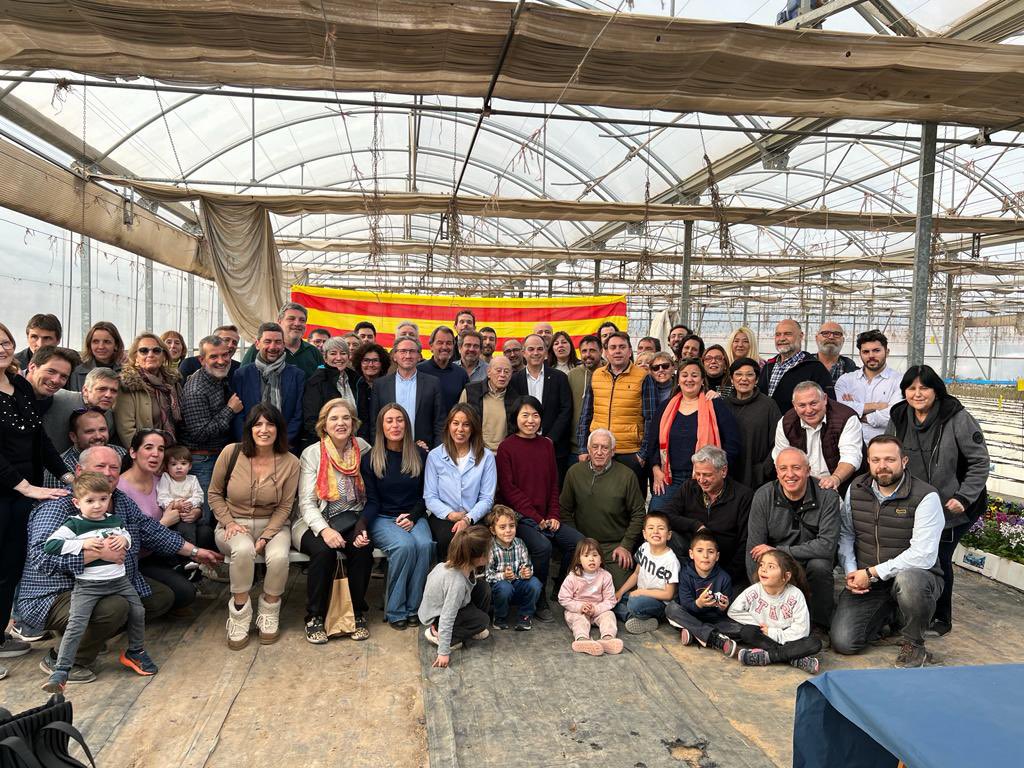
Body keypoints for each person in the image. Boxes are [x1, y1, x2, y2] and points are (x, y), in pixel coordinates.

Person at [22, 445, 221, 684]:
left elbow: (152, 531)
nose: (108, 473)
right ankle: (65, 660)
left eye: (114, 467)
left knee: (161, 598)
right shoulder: (58, 504)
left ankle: (93, 633)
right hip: (53, 593)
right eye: (100, 466)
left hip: (109, 580)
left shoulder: (119, 500)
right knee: (117, 607)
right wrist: (97, 554)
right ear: (79, 470)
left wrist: (196, 552)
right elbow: (40, 557)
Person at [886, 365, 989, 637]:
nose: (917, 394)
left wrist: (963, 497)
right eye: (911, 388)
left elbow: (980, 462)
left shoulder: (956, 417)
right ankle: (902, 612)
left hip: (952, 505)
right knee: (907, 554)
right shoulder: (899, 415)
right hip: (914, 502)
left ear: (936, 390)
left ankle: (941, 617)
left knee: (940, 558)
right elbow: (887, 451)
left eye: (924, 387)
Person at [833, 437, 944, 668]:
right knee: (844, 642)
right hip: (869, 580)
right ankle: (890, 617)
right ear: (868, 462)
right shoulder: (856, 488)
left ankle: (914, 644)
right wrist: (853, 573)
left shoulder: (926, 496)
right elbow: (846, 534)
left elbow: (923, 554)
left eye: (890, 459)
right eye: (876, 460)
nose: (882, 465)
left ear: (903, 461)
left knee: (909, 581)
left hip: (916, 577)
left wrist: (872, 572)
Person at [41, 471, 155, 692]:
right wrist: (83, 545)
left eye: (103, 499)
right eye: (90, 501)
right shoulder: (74, 525)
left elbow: (126, 535)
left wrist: (124, 539)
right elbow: (51, 545)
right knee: (76, 625)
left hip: (119, 581)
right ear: (77, 502)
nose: (97, 505)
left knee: (138, 611)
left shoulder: (114, 520)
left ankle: (136, 651)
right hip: (88, 586)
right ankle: (62, 670)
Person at [0, 322, 71, 669]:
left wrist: (67, 473)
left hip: (20, 493)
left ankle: (1, 635)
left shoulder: (19, 388)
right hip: (7, 488)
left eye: (5, 342)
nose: (1, 348)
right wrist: (25, 486)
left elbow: (38, 439)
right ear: (33, 364)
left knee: (9, 567)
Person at [210, 404, 300, 648]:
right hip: (233, 524)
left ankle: (269, 611)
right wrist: (228, 522)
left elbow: (285, 506)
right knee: (243, 550)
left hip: (273, 524)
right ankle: (239, 613)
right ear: (249, 429)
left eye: (270, 424)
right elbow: (214, 493)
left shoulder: (291, 462)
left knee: (280, 557)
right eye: (258, 424)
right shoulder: (231, 453)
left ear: (278, 429)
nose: (264, 429)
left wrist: (267, 535)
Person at [497, 396, 583, 622]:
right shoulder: (507, 447)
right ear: (516, 418)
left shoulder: (546, 444)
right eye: (525, 415)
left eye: (535, 415)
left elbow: (554, 485)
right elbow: (509, 490)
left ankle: (561, 587)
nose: (530, 420)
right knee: (542, 546)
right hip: (521, 518)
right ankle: (539, 598)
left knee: (577, 543)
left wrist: (553, 515)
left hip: (547, 517)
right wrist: (536, 518)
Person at [295, 398, 373, 644]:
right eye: (334, 418)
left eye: (346, 418)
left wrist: (363, 526)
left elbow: (373, 490)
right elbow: (306, 504)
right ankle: (315, 616)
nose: (341, 423)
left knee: (362, 548)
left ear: (353, 422)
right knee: (323, 551)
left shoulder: (363, 448)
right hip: (316, 520)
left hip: (352, 519)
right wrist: (325, 531)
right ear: (324, 425)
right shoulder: (313, 453)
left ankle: (356, 611)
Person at [746, 447, 840, 642]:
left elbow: (827, 546)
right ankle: (773, 620)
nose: (790, 474)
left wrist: (780, 550)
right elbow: (754, 550)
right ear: (776, 471)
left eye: (796, 468)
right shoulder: (763, 495)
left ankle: (819, 627)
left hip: (809, 562)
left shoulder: (827, 497)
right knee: (763, 565)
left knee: (820, 565)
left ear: (808, 469)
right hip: (777, 565)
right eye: (783, 468)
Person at [357, 403, 432, 629]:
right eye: (389, 421)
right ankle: (395, 608)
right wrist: (362, 523)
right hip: (383, 517)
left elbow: (426, 495)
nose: (395, 425)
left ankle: (414, 607)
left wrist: (413, 516)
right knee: (404, 547)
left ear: (406, 425)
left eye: (399, 420)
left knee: (426, 545)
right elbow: (372, 501)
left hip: (414, 515)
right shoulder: (371, 459)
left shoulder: (419, 454)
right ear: (381, 426)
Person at [118, 430, 199, 612]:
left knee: (202, 532)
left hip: (164, 550)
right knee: (183, 594)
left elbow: (188, 501)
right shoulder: (120, 489)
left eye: (161, 449)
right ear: (133, 452)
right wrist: (163, 522)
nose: (156, 453)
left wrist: (195, 511)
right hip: (137, 559)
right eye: (148, 447)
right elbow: (126, 542)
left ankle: (182, 575)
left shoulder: (162, 480)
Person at [648, 357, 740, 512]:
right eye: (684, 375)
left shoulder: (716, 406)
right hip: (670, 478)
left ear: (702, 380)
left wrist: (717, 474)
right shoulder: (665, 407)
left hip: (705, 480)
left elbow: (733, 443)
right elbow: (653, 443)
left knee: (697, 526)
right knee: (657, 520)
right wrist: (656, 470)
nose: (689, 379)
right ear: (678, 380)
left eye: (694, 375)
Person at [560, 429, 645, 589]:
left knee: (619, 591)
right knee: (577, 592)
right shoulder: (574, 473)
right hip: (584, 544)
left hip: (614, 547)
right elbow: (564, 510)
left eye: (605, 448)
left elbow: (639, 514)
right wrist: (577, 541)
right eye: (595, 447)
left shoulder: (627, 476)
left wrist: (626, 545)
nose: (599, 452)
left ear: (613, 451)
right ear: (588, 449)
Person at [661, 445, 752, 588]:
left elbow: (745, 543)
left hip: (725, 566)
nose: (701, 480)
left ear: (723, 471)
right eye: (698, 474)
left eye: (707, 475)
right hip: (690, 561)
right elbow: (665, 515)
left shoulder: (743, 496)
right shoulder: (689, 487)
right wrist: (695, 525)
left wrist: (726, 579)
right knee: (662, 533)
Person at [577, 331, 655, 488]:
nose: (617, 351)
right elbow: (586, 414)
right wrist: (583, 448)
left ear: (629, 350)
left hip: (630, 452)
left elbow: (651, 419)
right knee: (601, 499)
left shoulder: (642, 377)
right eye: (613, 347)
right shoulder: (597, 375)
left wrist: (642, 454)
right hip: (600, 450)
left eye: (622, 347)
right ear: (606, 352)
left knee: (632, 500)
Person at [180, 334, 243, 529]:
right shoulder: (196, 389)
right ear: (202, 360)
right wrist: (230, 410)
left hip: (217, 456)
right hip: (203, 460)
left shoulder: (218, 379)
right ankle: (201, 556)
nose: (221, 361)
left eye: (225, 355)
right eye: (214, 357)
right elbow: (200, 433)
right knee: (206, 514)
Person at [730, 550, 821, 673]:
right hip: (765, 634)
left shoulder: (795, 595)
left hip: (789, 637)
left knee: (814, 643)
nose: (763, 569)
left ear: (786, 576)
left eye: (771, 566)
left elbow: (802, 630)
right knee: (747, 632)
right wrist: (760, 625)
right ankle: (793, 658)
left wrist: (774, 633)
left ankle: (768, 657)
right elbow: (734, 611)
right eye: (761, 565)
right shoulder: (754, 590)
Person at [424, 404, 497, 559]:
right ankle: (446, 581)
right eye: (455, 423)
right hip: (443, 516)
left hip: (475, 516)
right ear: (449, 425)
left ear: (473, 428)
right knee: (447, 540)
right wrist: (451, 515)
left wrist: (467, 519)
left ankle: (473, 581)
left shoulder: (486, 456)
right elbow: (430, 497)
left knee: (474, 542)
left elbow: (487, 498)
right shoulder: (435, 456)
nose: (460, 429)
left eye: (466, 424)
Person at [419, 525, 492, 668]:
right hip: (439, 616)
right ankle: (439, 635)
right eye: (489, 551)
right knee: (484, 620)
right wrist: (443, 652)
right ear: (477, 557)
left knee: (483, 588)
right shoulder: (456, 582)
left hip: (455, 603)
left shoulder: (462, 565)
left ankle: (470, 628)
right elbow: (448, 615)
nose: (491, 553)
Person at [773, 381, 863, 494]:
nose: (809, 410)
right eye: (802, 405)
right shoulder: (785, 422)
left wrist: (835, 479)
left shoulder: (846, 418)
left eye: (813, 403)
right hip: (803, 486)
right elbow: (781, 459)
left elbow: (851, 457)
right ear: (794, 405)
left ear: (825, 398)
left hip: (842, 486)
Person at [231, 322, 305, 449]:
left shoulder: (297, 375)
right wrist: (249, 442)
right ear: (257, 344)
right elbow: (238, 414)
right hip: (250, 447)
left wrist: (283, 442)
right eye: (267, 341)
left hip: (286, 447)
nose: (273, 346)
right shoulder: (242, 375)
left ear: (283, 344)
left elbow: (299, 414)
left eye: (277, 342)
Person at [665, 530, 738, 656]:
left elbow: (724, 610)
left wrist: (724, 607)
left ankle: (695, 634)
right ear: (691, 554)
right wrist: (698, 603)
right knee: (671, 608)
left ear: (717, 556)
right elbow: (686, 603)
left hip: (714, 620)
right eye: (700, 551)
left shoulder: (724, 578)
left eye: (710, 552)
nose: (705, 556)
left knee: (742, 630)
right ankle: (714, 639)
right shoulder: (685, 574)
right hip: (691, 615)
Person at [509, 333, 572, 479]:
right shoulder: (514, 380)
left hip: (555, 447)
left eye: (539, 349)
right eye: (531, 349)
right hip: (523, 446)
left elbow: (566, 410)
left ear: (545, 352)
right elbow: (513, 412)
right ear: (523, 353)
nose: (535, 353)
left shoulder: (559, 378)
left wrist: (550, 439)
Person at [371, 336, 444, 450]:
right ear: (394, 356)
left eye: (412, 351)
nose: (408, 356)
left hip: (423, 451)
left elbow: (440, 422)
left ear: (419, 356)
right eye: (403, 351)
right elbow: (375, 423)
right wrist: (379, 449)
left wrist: (435, 452)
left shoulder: (433, 383)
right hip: (389, 452)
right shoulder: (380, 385)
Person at [613, 511, 680, 634]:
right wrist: (620, 592)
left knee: (634, 603)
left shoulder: (670, 561)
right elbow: (636, 574)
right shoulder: (644, 548)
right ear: (644, 534)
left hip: (659, 603)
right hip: (641, 596)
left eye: (661, 528)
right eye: (651, 528)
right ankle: (634, 618)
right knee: (610, 600)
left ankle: (641, 615)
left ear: (669, 535)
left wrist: (640, 592)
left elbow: (669, 594)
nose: (655, 531)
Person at [557, 539, 623, 657]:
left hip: (598, 610)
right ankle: (582, 640)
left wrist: (596, 609)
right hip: (578, 611)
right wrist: (579, 607)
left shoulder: (605, 576)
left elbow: (610, 600)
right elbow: (563, 598)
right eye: (586, 555)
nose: (591, 559)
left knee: (609, 616)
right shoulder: (573, 577)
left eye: (595, 555)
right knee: (579, 620)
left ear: (601, 559)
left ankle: (608, 639)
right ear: (579, 559)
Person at [835, 329, 902, 444]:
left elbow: (894, 415)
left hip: (884, 447)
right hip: (850, 445)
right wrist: (877, 406)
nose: (871, 356)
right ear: (860, 354)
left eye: (876, 351)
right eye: (866, 352)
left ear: (887, 351)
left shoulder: (899, 380)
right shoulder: (846, 380)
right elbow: (839, 410)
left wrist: (859, 415)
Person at [116, 333, 183, 446]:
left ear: (164, 356)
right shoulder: (128, 385)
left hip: (173, 453)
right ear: (135, 357)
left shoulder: (172, 383)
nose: (150, 354)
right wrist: (150, 454)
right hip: (144, 454)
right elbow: (126, 430)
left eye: (156, 350)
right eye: (144, 351)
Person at [723, 357, 780, 490]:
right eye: (738, 374)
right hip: (727, 476)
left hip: (758, 479)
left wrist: (764, 469)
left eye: (749, 374)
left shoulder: (768, 406)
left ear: (757, 379)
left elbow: (779, 442)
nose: (744, 379)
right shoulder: (723, 405)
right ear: (731, 379)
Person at [757, 319, 835, 413]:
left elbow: (829, 405)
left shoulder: (815, 368)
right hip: (767, 426)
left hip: (796, 426)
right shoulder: (768, 367)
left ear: (800, 336)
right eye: (778, 334)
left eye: (787, 334)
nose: (782, 338)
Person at [485, 505, 541, 631]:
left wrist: (526, 572)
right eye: (502, 527)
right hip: (499, 588)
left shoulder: (519, 544)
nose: (508, 530)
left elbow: (526, 565)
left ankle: (525, 616)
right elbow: (487, 575)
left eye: (512, 526)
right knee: (505, 587)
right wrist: (503, 576)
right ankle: (500, 617)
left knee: (535, 583)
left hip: (517, 583)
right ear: (493, 530)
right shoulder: (491, 547)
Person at [42, 407, 127, 490]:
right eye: (90, 431)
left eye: (102, 430)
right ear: (73, 437)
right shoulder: (60, 468)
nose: (98, 436)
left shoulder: (120, 453)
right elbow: (57, 503)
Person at [43, 366, 119, 453]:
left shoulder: (110, 417)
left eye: (113, 391)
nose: (108, 395)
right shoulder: (58, 398)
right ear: (85, 390)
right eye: (102, 389)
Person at [241, 302, 324, 379]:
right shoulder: (260, 349)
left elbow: (323, 381)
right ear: (279, 322)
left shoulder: (313, 352)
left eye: (302, 320)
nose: (297, 323)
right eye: (291, 319)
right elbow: (242, 379)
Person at [302, 336, 359, 446]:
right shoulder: (316, 382)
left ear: (348, 356)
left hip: (355, 443)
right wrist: (332, 443)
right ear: (325, 357)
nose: (338, 358)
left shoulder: (356, 380)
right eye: (333, 353)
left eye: (343, 353)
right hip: (327, 445)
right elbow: (311, 421)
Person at [156, 444, 209, 550]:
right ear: (167, 467)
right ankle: (189, 558)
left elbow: (199, 496)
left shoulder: (192, 479)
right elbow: (162, 497)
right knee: (185, 528)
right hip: (175, 518)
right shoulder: (166, 478)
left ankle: (203, 558)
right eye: (173, 464)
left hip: (191, 513)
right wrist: (176, 504)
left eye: (183, 463)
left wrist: (191, 503)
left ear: (190, 466)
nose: (179, 467)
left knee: (206, 532)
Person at [460, 354, 514, 450]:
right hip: (475, 451)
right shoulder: (470, 392)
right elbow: (459, 422)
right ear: (488, 372)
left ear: (511, 375)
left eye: (506, 371)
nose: (502, 375)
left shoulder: (515, 398)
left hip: (503, 453)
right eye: (498, 370)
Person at [417, 326, 469, 415]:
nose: (444, 347)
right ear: (431, 346)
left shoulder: (461, 374)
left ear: (453, 346)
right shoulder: (418, 371)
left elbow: (466, 407)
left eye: (449, 343)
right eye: (440, 343)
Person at [568, 334, 601, 456]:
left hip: (602, 446)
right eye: (584, 351)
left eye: (592, 350)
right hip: (576, 447)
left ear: (601, 351)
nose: (588, 355)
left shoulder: (608, 374)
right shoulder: (572, 375)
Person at [68, 321, 124, 391]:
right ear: (89, 345)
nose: (101, 346)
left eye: (107, 342)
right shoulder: (78, 373)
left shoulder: (126, 372)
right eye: (95, 342)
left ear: (116, 345)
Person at [353, 342, 388, 441]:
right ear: (359, 363)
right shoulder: (354, 386)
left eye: (375, 361)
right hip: (358, 440)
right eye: (366, 360)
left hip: (384, 439)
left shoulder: (389, 385)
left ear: (382, 363)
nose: (370, 364)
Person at [25, 347, 75, 412]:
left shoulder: (65, 402)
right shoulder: (9, 394)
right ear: (32, 367)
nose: (56, 380)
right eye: (51, 371)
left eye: (64, 376)